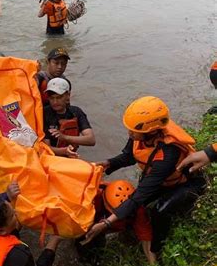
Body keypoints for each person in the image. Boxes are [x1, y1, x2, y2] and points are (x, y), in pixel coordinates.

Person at [83, 96, 207, 254]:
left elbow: (142, 193)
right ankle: (129, 231)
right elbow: (129, 156)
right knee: (128, 204)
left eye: (134, 131)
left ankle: (157, 249)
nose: (130, 133)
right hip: (160, 180)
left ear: (153, 131)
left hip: (185, 183)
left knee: (160, 210)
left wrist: (107, 223)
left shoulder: (168, 152)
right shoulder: (139, 134)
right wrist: (108, 163)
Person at [78, 180, 156, 265]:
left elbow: (147, 241)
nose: (113, 217)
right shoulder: (93, 193)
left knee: (95, 256)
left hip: (115, 227)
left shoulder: (137, 212)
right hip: (90, 220)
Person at [43, 78, 95, 157]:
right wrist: (64, 151)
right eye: (52, 98)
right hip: (51, 157)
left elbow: (91, 140)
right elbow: (46, 148)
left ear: (68, 96)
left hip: (70, 155)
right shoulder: (44, 113)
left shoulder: (76, 112)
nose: (55, 102)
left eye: (59, 97)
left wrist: (64, 137)